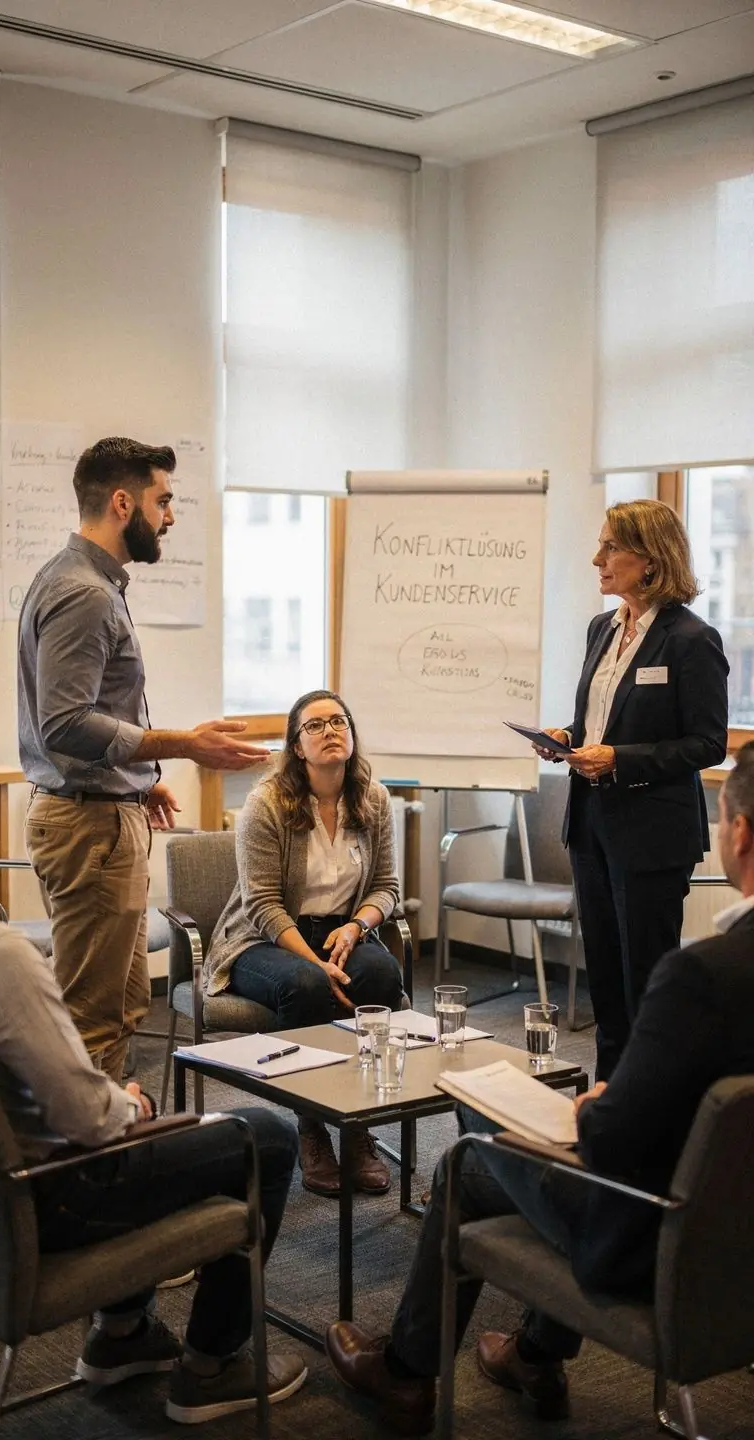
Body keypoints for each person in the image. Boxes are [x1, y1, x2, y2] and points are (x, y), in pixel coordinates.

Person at [325, 743, 754, 1436]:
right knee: (516, 1161)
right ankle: (534, 1354)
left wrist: (592, 1108)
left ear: (736, 834)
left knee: (471, 1160)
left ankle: (405, 1374)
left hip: (659, 1236)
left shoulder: (700, 977)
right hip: (736, 1233)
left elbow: (611, 1136)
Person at [0, 712, 305, 1424]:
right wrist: (129, 1107)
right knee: (264, 1136)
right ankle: (212, 1364)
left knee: (138, 1111)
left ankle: (124, 1333)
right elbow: (87, 1120)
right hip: (45, 1198)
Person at [18, 437, 269, 1083]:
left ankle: (108, 1145)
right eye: (164, 500)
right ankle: (86, 1168)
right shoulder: (85, 593)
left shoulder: (87, 581)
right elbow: (64, 723)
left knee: (123, 1002)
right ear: (123, 501)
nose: (171, 516)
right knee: (91, 1015)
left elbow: (98, 711)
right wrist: (184, 744)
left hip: (104, 811)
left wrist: (138, 779)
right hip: (87, 828)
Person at [537, 498, 728, 1079]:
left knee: (645, 979)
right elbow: (602, 722)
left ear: (649, 559)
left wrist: (619, 759)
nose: (598, 559)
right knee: (604, 978)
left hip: (652, 832)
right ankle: (605, 1098)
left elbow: (707, 744)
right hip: (591, 824)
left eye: (610, 547)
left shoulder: (692, 639)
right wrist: (567, 738)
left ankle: (651, 1106)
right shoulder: (602, 627)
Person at [204, 688, 404, 1198]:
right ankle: (313, 1126)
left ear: (352, 736)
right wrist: (318, 962)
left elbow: (387, 887)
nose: (330, 731)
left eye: (338, 721)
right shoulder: (266, 804)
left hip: (341, 929)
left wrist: (358, 926)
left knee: (381, 975)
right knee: (307, 984)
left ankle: (357, 1127)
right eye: (314, 726)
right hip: (261, 939)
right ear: (297, 746)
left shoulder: (373, 799)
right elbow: (261, 905)